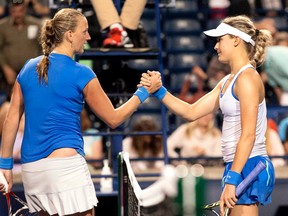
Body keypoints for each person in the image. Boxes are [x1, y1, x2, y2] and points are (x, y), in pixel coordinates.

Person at [0, 8, 161, 216]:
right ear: (69, 35)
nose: (89, 36)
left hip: (33, 171)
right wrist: (143, 92)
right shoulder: (81, 73)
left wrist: (5, 166)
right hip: (65, 168)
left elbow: (11, 119)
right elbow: (114, 119)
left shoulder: (28, 68)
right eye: (84, 31)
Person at [140, 15, 275, 216]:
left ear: (236, 40)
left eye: (220, 39)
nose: (216, 46)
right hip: (237, 165)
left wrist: (233, 179)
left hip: (249, 164)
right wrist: (159, 91)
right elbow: (191, 112)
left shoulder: (247, 78)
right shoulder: (227, 81)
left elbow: (248, 136)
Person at [0, 1, 42, 96]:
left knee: (32, 99)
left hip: (32, 73)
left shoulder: (36, 24)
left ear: (25, 10)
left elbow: (43, 47)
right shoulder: (2, 26)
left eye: (20, 11)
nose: (17, 14)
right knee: (11, 102)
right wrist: (5, 68)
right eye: (14, 11)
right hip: (9, 76)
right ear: (10, 11)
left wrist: (39, 66)